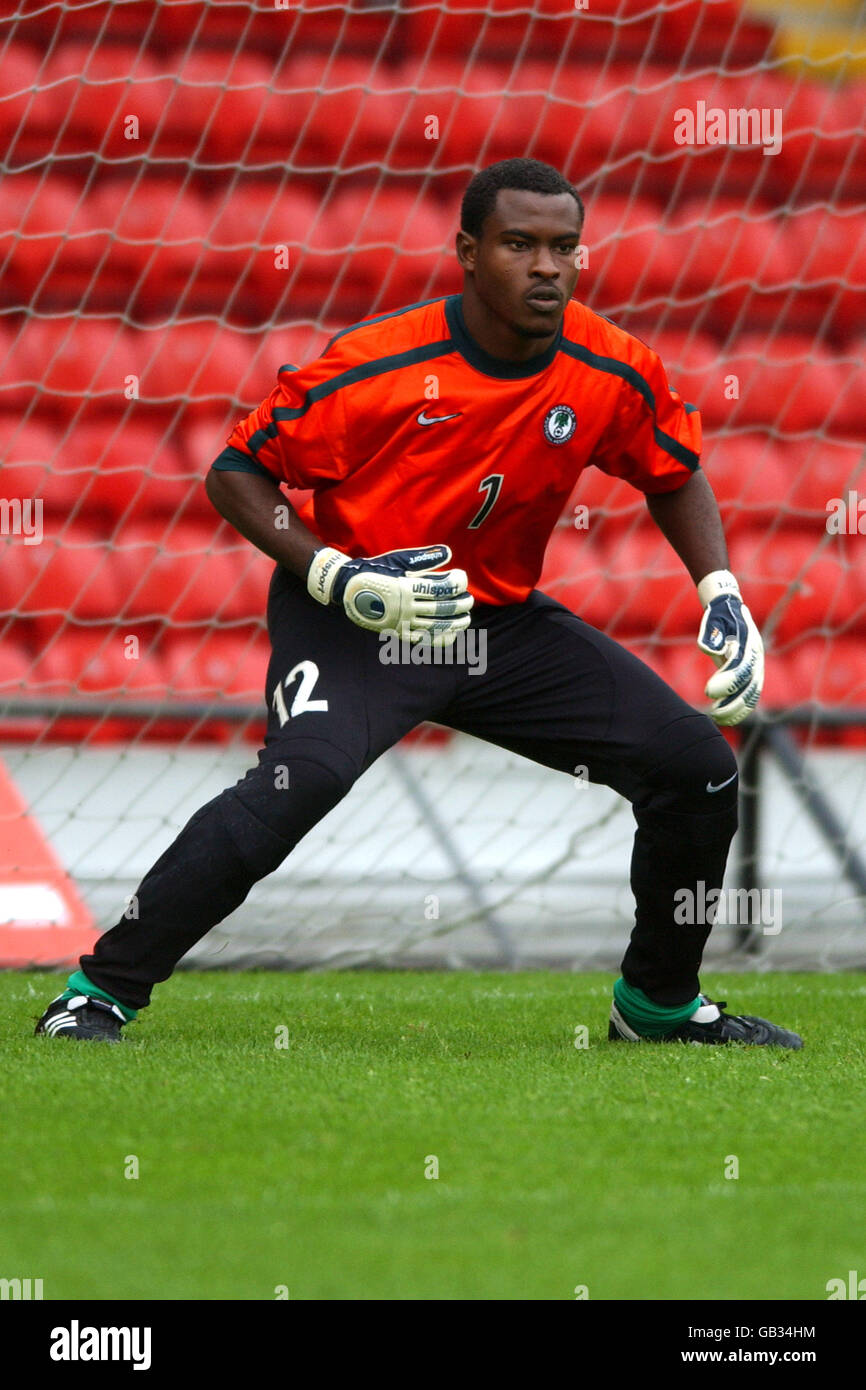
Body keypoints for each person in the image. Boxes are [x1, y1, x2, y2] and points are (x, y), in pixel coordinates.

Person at [35, 157, 801, 1049]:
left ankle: (660, 1007)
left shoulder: (608, 366)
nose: (546, 266)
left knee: (697, 769)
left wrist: (721, 590)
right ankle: (100, 989)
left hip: (497, 627)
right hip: (357, 617)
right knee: (300, 779)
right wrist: (337, 578)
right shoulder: (379, 366)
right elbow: (236, 470)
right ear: (468, 253)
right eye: (520, 244)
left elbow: (673, 468)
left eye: (564, 248)